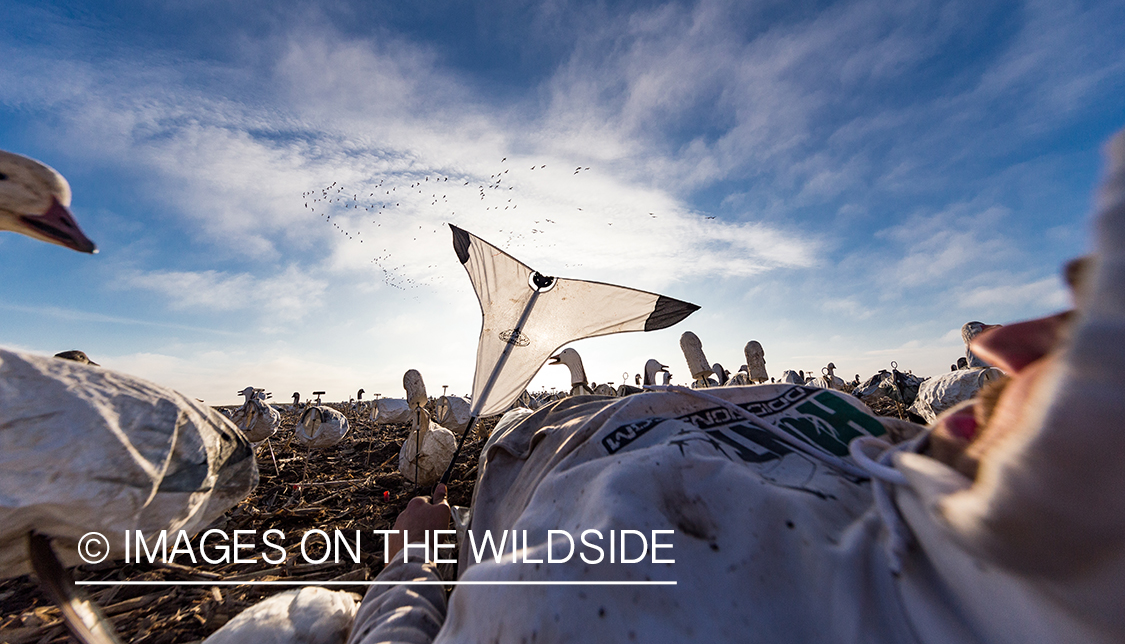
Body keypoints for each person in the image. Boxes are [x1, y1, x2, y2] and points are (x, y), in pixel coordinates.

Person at [326, 132, 1113, 642]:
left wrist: (414, 566)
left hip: (527, 461)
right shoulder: (936, 477)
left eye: (1078, 366)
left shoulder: (595, 613)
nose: (1001, 345)